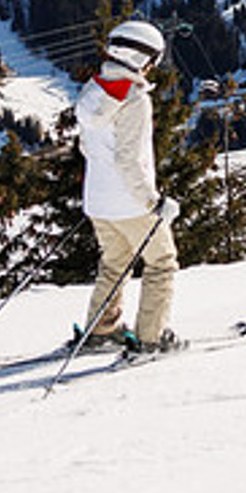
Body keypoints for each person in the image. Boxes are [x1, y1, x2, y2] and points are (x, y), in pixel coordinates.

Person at [73, 20, 183, 354]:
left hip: (97, 201)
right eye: (153, 60)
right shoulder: (133, 99)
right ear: (141, 58)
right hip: (131, 203)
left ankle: (101, 330)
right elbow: (129, 160)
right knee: (162, 262)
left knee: (115, 262)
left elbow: (86, 148)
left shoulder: (92, 90)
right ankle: (152, 337)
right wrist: (153, 201)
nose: (153, 68)